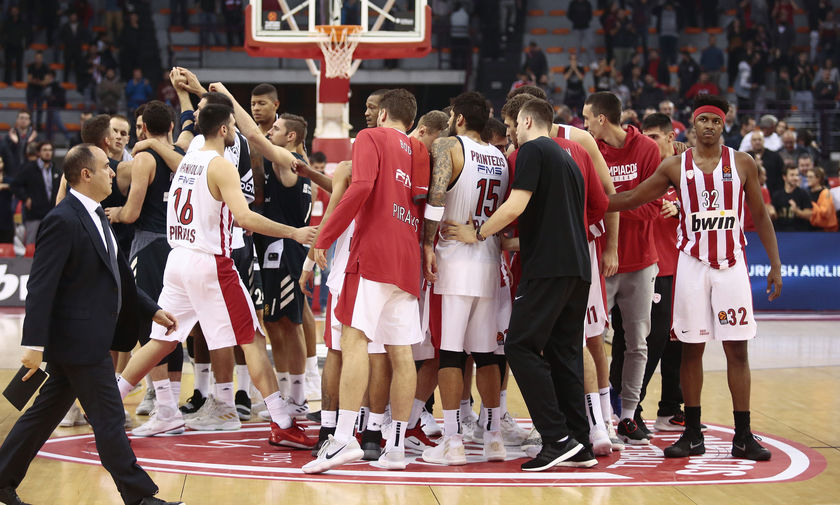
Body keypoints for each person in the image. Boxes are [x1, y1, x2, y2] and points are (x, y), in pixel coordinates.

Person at [114, 100, 318, 449]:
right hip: (210, 262)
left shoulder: (186, 160)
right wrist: (295, 232)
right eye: (233, 127)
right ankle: (282, 422)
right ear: (223, 129)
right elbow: (245, 218)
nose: (236, 132)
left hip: (177, 261)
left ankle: (109, 401)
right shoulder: (221, 166)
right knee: (252, 339)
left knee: (162, 338)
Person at [0, 143, 183, 505]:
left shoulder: (98, 214)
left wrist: (151, 309)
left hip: (89, 338)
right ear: (86, 174)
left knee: (43, 415)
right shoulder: (61, 219)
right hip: (78, 340)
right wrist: (33, 344)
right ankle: (139, 496)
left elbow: (119, 276)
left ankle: (2, 478)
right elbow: (40, 285)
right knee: (110, 418)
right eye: (106, 167)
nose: (114, 172)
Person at [607, 94, 781, 461]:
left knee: (738, 349)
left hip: (731, 264)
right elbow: (636, 196)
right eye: (703, 119)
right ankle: (691, 433)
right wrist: (593, 200)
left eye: (716, 121)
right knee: (690, 349)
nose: (709, 126)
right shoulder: (675, 166)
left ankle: (744, 435)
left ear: (724, 124)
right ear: (693, 122)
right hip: (692, 264)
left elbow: (761, 217)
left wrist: (775, 265)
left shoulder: (743, 163)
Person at [442, 98, 595, 471]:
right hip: (577, 267)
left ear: (527, 121)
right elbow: (555, 222)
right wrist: (504, 241)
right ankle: (580, 442)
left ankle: (555, 438)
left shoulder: (532, 151)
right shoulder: (569, 160)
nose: (508, 132)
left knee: (520, 346)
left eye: (511, 124)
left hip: (548, 268)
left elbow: (515, 205)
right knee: (565, 353)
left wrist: (477, 233)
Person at [302, 89, 430, 473]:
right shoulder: (421, 152)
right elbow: (425, 203)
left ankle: (342, 440)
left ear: (385, 113)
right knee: (401, 352)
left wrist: (323, 239)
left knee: (353, 339)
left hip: (372, 253)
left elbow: (361, 188)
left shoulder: (369, 138)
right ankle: (394, 449)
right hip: (407, 258)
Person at [421, 92, 509, 466]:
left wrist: (427, 242)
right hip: (489, 262)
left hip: (452, 263)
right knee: (487, 355)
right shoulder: (500, 158)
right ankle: (493, 439)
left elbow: (436, 197)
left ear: (457, 118)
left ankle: (453, 440)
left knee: (451, 355)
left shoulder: (448, 146)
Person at [582, 91, 662, 445]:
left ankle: (628, 414)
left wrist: (607, 205)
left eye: (587, 118)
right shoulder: (588, 149)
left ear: (602, 119)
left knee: (637, 342)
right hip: (601, 261)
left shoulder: (646, 149)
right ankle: (596, 415)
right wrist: (618, 203)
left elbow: (652, 207)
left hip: (641, 260)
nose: (582, 125)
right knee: (591, 339)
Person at [14, 141, 61, 245]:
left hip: (52, 214)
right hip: (34, 215)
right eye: (45, 150)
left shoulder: (56, 171)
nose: (48, 153)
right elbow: (15, 185)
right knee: (32, 246)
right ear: (39, 153)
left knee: (52, 245)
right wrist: (26, 198)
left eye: (50, 150)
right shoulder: (29, 169)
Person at [772, 165, 813, 231]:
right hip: (781, 234)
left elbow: (809, 215)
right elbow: (773, 216)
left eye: (797, 175)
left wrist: (797, 211)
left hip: (800, 234)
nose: (795, 178)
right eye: (792, 175)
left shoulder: (803, 194)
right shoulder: (777, 195)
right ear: (784, 177)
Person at [747, 130, 784, 196]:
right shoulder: (745, 157)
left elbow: (781, 175)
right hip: (750, 193)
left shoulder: (775, 156)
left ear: (764, 141)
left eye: (759, 139)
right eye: (754, 140)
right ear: (751, 142)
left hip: (773, 192)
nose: (757, 142)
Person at [806, 166, 838, 232]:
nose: (807, 179)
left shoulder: (825, 192)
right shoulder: (806, 192)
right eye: (807, 177)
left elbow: (825, 212)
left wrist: (811, 205)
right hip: (810, 229)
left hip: (825, 230)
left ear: (818, 178)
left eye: (811, 177)